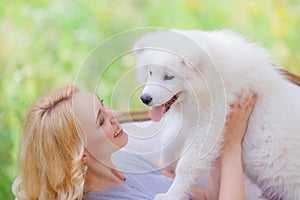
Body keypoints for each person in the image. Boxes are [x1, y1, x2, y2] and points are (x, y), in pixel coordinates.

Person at [12, 85, 256, 200]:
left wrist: (216, 136)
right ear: (82, 154)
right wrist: (231, 148)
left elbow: (203, 198)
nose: (115, 114)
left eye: (103, 103)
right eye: (101, 120)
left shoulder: (129, 159)